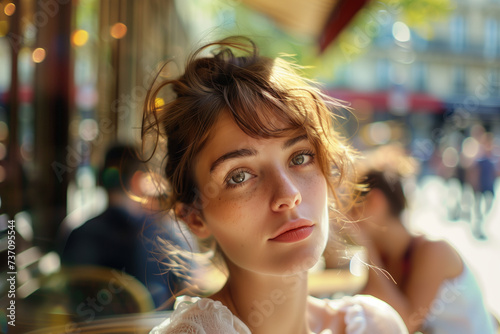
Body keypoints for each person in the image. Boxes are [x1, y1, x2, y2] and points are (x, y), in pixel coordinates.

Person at [141, 36, 408, 333]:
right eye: (239, 176)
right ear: (195, 217)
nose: (289, 195)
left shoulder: (375, 325)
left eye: (300, 157)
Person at [348, 144, 497, 334]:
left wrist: (366, 245)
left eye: (351, 206)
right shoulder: (388, 255)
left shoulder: (434, 251)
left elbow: (406, 325)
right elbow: (367, 306)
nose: (346, 217)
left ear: (375, 202)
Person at [61, 144, 192, 309]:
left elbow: (66, 298)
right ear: (137, 181)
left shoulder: (77, 234)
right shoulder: (165, 236)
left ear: (100, 179)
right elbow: (188, 292)